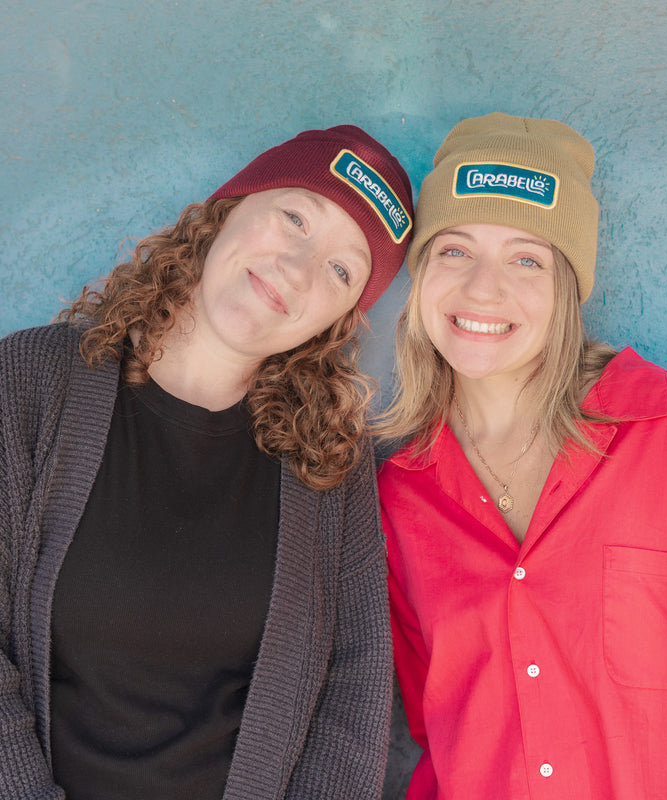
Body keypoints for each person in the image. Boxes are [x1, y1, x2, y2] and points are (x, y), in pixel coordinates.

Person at [377, 112, 667, 798]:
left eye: (526, 259)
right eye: (454, 250)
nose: (484, 288)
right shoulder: (400, 496)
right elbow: (442, 727)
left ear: (567, 290)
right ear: (421, 274)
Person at [0, 123, 413, 799]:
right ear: (229, 207)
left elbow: (354, 695)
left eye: (342, 270)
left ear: (338, 320)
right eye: (293, 217)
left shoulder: (330, 462)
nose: (299, 268)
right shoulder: (29, 383)